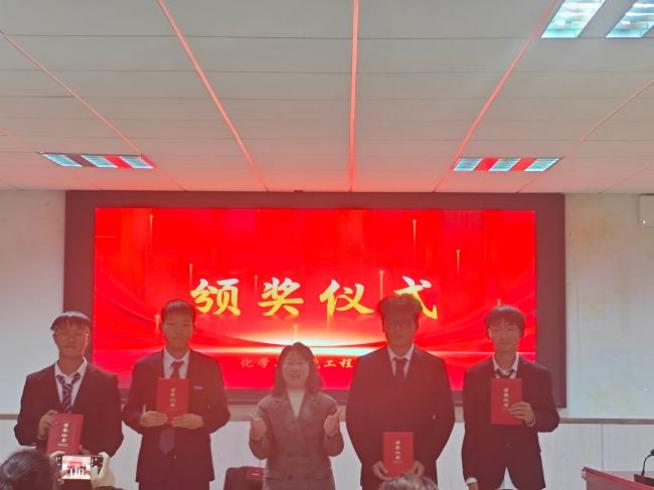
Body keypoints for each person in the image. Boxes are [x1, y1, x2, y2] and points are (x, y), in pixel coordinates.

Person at [346, 295, 455, 489]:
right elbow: (355, 418)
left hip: (419, 470)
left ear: (416, 326)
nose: (398, 329)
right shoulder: (366, 365)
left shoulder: (434, 366)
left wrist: (424, 459)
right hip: (378, 469)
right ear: (383, 326)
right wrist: (371, 459)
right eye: (392, 323)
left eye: (404, 324)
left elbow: (445, 418)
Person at [122, 299, 230, 490]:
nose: (178, 331)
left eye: (185, 325)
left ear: (193, 329)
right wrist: (142, 420)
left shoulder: (208, 367)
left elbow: (222, 412)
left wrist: (201, 421)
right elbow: (129, 411)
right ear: (162, 327)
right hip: (154, 463)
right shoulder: (144, 367)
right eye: (172, 324)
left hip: (194, 464)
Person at [462, 305, 559, 490]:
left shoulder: (538, 374)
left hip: (525, 468)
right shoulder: (475, 375)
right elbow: (471, 428)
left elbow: (551, 420)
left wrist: (531, 417)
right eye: (497, 329)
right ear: (488, 333)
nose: (503, 335)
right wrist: (470, 475)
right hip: (486, 469)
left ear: (521, 333)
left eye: (510, 329)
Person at [14, 312, 123, 456]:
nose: (71, 339)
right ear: (55, 338)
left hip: (87, 463)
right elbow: (21, 433)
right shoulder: (35, 382)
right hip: (46, 464)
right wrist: (39, 430)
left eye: (78, 334)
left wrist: (92, 453)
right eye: (64, 333)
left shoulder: (106, 382)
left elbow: (114, 434)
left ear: (88, 338)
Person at [249, 342, 343, 490]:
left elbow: (334, 451)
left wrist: (332, 435)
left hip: (316, 484)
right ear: (281, 368)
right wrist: (257, 437)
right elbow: (261, 453)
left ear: (310, 368)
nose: (295, 368)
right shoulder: (266, 405)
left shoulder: (327, 404)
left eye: (301, 363)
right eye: (290, 363)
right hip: (279, 485)